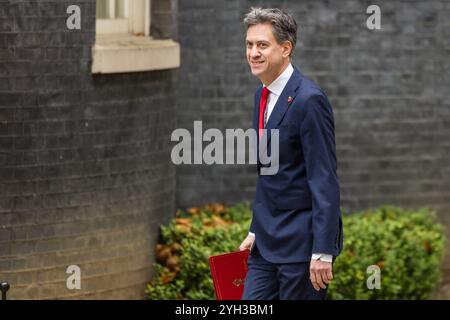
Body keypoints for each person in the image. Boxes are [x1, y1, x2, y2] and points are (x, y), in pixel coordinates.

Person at [239, 7, 343, 300]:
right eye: (249, 45)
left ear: (286, 48)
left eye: (262, 45)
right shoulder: (261, 94)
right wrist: (256, 228)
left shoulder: (309, 100)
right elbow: (271, 172)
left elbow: (324, 178)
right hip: (266, 245)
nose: (253, 53)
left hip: (301, 248)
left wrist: (323, 250)